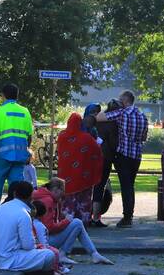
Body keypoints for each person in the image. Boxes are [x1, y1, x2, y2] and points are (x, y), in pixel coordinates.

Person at [0, 83, 33, 234]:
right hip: (19, 157)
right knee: (17, 192)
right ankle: (16, 223)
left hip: (1, 157)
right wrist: (25, 152)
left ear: (3, 96)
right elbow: (29, 137)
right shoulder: (25, 112)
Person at [95, 90, 148, 228]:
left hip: (123, 155)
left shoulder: (121, 113)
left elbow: (99, 117)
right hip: (136, 156)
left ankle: (127, 218)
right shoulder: (143, 116)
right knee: (131, 185)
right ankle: (129, 216)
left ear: (125, 100)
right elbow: (144, 137)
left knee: (126, 186)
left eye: (120, 100)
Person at [33, 178, 113, 265]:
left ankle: (93, 254)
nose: (62, 195)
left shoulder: (45, 197)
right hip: (44, 241)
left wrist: (63, 217)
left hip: (40, 239)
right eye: (62, 192)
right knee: (77, 223)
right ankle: (91, 254)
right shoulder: (48, 200)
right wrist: (66, 221)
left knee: (76, 224)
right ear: (56, 190)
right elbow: (50, 228)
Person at [0, 181, 56, 273]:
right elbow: (28, 246)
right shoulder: (24, 214)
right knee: (49, 254)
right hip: (9, 259)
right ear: (31, 197)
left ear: (15, 194)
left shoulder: (1, 207)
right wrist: (37, 245)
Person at [56, 112, 104, 222]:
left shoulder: (61, 136)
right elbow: (98, 152)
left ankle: (66, 222)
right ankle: (83, 221)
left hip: (65, 177)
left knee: (68, 201)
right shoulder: (87, 138)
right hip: (83, 177)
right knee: (83, 201)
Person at [88, 100, 120, 228]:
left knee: (90, 186)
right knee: (100, 186)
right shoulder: (113, 124)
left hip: (92, 157)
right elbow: (113, 144)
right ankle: (96, 217)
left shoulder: (96, 121)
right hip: (105, 158)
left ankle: (86, 214)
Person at [31, 200, 69, 275]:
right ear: (43, 214)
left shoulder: (31, 222)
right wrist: (46, 247)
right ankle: (55, 269)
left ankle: (59, 266)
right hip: (40, 246)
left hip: (36, 245)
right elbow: (43, 241)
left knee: (54, 251)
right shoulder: (40, 226)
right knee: (55, 252)